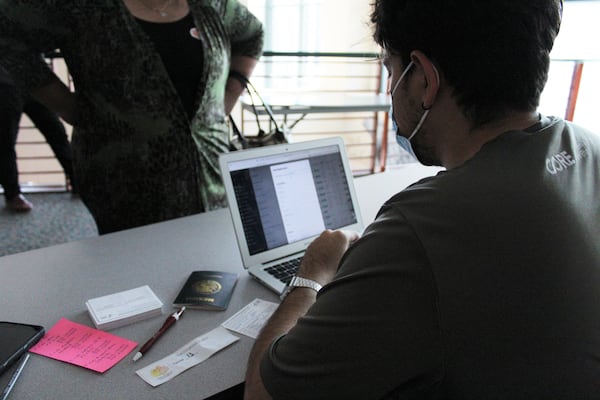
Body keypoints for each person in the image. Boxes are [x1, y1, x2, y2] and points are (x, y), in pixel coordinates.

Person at [245, 0, 600, 398]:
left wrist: (310, 273)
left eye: (390, 71)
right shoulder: (588, 146)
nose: (391, 88)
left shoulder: (417, 229)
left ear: (424, 80)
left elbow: (262, 393)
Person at [0, 0, 263, 233]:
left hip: (210, 173)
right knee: (135, 274)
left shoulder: (212, 5)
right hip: (122, 179)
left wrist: (226, 97)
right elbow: (7, 33)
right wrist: (66, 106)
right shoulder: (77, 7)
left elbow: (252, 35)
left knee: (210, 270)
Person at [0, 67, 75, 212]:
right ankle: (13, 195)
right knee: (6, 141)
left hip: (31, 81)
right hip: (5, 85)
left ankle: (77, 181)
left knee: (56, 131)